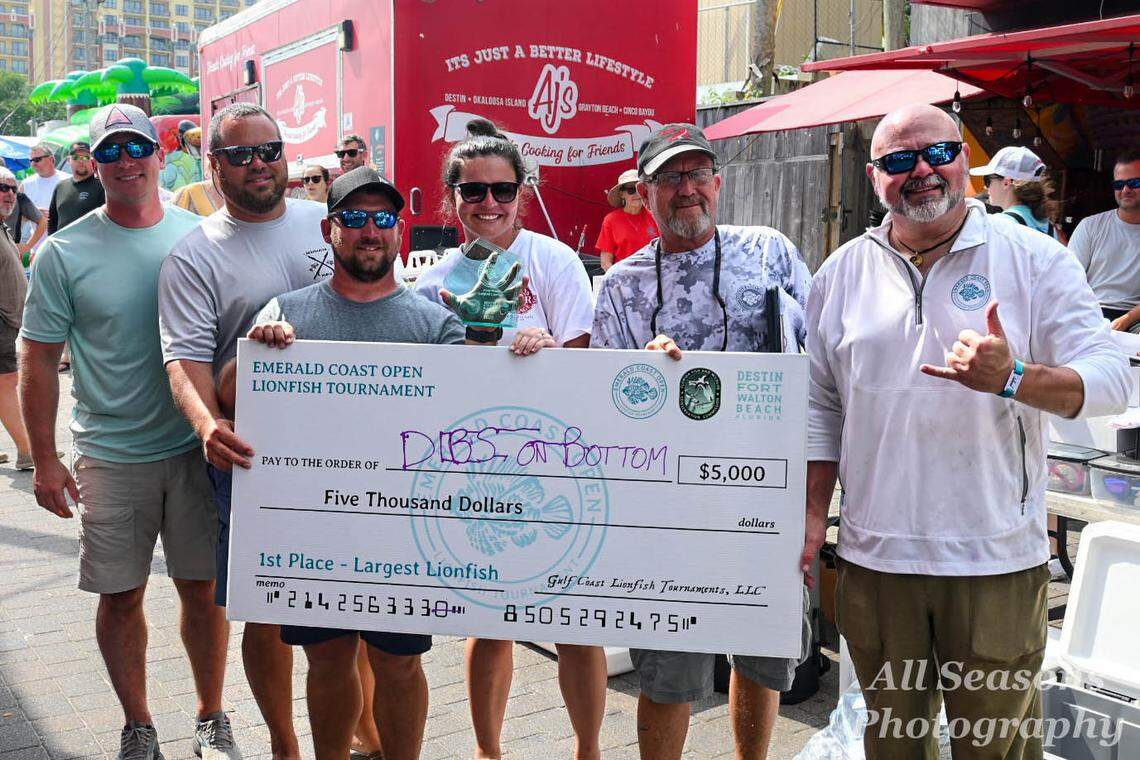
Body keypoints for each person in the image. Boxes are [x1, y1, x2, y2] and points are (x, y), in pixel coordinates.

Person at [802, 104, 1129, 760]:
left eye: (937, 153)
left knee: (995, 749)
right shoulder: (840, 273)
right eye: (899, 161)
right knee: (893, 749)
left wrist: (1015, 378)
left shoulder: (1034, 260)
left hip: (993, 561)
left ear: (966, 165)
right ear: (875, 178)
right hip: (876, 564)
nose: (921, 170)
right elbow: (820, 409)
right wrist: (813, 516)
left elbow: (1114, 383)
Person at [17, 103, 239, 760]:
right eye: (109, 151)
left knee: (204, 592)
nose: (125, 161)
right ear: (93, 163)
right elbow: (36, 356)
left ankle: (210, 716)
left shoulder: (201, 235)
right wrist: (46, 458)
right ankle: (138, 725)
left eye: (136, 147)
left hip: (197, 448)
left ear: (159, 154)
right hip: (111, 455)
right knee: (120, 596)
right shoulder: (62, 252)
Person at [591, 123, 811, 760]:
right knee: (669, 669)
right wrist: (644, 373)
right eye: (668, 178)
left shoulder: (770, 251)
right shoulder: (620, 286)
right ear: (645, 191)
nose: (685, 189)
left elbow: (817, 355)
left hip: (763, 492)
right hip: (669, 507)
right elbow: (606, 404)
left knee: (762, 655)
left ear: (717, 182)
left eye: (696, 175)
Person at [413, 119, 599, 760]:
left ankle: (589, 750)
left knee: (576, 621)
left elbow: (584, 357)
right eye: (473, 192)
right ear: (452, 198)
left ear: (522, 191)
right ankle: (488, 752)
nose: (488, 203)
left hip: (557, 468)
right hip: (474, 470)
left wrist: (546, 349)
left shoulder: (555, 260)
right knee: (487, 622)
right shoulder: (430, 277)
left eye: (502, 190)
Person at [159, 102, 334, 760]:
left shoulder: (329, 223)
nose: (258, 164)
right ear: (215, 166)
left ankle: (364, 733)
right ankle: (286, 744)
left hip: (354, 446)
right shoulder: (194, 254)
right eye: (240, 155)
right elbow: (184, 359)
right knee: (268, 603)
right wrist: (209, 425)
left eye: (270, 150)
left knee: (355, 596)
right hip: (255, 455)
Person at [1069, 149, 1140, 329]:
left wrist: (1127, 319)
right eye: (1119, 184)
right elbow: (1068, 279)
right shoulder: (1090, 226)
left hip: (1135, 317)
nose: (1125, 190)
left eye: (1134, 182)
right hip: (1090, 310)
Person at [0, 168, 32, 469]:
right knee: (7, 382)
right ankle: (27, 451)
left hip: (10, 320)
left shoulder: (3, 227)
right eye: (2, 188)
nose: (9, 195)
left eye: (13, 189)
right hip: (2, 323)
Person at [970, 145, 1061, 239]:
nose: (985, 187)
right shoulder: (1049, 227)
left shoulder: (999, 224)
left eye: (987, 180)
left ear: (1006, 182)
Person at [595, 167, 658, 270]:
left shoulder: (655, 215)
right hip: (624, 279)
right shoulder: (611, 220)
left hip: (652, 276)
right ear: (621, 194)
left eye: (639, 189)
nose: (636, 194)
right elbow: (606, 262)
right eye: (631, 190)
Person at [48, 142, 106, 234]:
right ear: (68, 160)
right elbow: (52, 222)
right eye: (76, 157)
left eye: (85, 157)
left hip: (91, 245)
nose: (81, 161)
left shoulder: (103, 185)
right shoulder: (61, 186)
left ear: (92, 160)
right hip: (62, 247)